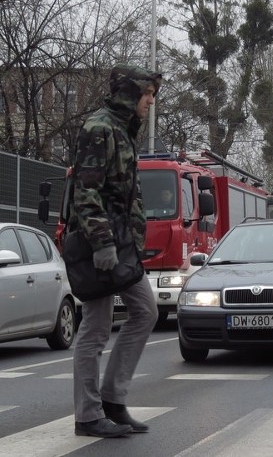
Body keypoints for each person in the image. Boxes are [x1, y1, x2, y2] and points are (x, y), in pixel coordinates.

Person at [68, 64, 161, 438]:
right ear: (129, 93)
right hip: (101, 243)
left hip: (121, 243)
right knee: (95, 327)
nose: (151, 102)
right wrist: (102, 243)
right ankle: (89, 415)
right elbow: (85, 193)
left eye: (153, 95)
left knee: (145, 311)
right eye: (147, 95)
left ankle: (113, 401)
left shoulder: (123, 130)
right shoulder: (99, 128)